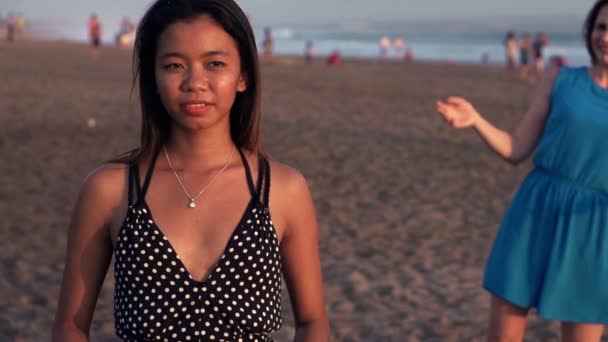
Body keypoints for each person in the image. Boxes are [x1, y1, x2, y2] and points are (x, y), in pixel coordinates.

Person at [52, 0, 330, 341]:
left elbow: (313, 321)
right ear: (153, 77)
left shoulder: (282, 189)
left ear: (243, 75)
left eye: (214, 63)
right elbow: (71, 325)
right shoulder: (110, 189)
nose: (194, 82)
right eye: (174, 65)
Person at [436, 1, 608, 340]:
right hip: (536, 208)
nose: (606, 37)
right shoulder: (560, 79)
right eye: (602, 27)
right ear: (590, 32)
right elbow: (517, 148)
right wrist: (476, 121)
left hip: (593, 226)